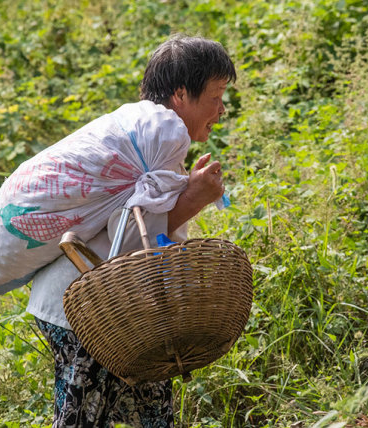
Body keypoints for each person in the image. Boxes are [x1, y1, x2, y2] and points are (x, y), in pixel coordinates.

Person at [26, 35, 236, 427]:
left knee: (156, 416)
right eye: (216, 95)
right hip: (89, 313)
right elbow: (127, 242)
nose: (222, 109)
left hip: (122, 314)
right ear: (180, 94)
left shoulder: (150, 137)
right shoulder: (162, 137)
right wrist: (195, 198)